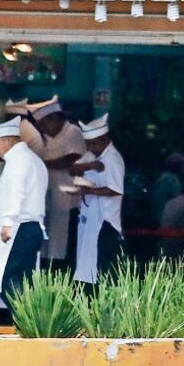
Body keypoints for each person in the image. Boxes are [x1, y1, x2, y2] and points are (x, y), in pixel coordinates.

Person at [0, 117, 48, 314]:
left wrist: (7, 223)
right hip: (33, 227)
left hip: (19, 227)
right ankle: (30, 323)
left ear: (8, 140)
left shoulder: (17, 162)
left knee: (7, 278)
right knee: (26, 280)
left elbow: (16, 192)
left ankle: (25, 319)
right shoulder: (34, 160)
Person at [28, 95, 85, 268]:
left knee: (64, 244)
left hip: (69, 202)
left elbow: (71, 160)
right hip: (47, 198)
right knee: (46, 245)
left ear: (55, 118)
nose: (43, 129)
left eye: (45, 124)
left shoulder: (73, 132)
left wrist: (40, 164)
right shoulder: (41, 137)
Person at [71, 113, 125, 286]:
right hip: (91, 219)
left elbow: (115, 190)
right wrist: (90, 165)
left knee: (103, 271)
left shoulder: (113, 159)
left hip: (106, 223)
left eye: (93, 143)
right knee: (87, 267)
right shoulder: (94, 155)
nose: (90, 147)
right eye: (88, 144)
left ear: (103, 139)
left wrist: (89, 190)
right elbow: (73, 169)